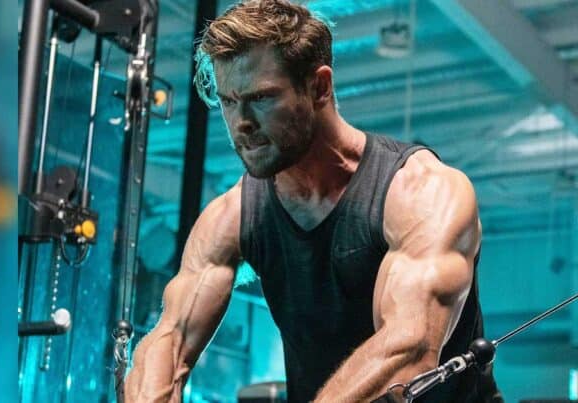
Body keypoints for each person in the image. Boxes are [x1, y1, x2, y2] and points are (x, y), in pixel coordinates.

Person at [124, 1, 501, 402]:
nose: (241, 123)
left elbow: (407, 353)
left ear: (319, 87)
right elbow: (170, 339)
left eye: (261, 97)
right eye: (229, 102)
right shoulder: (232, 216)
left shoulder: (420, 191)